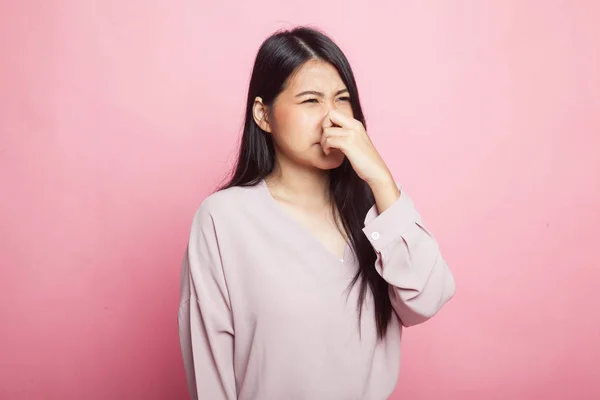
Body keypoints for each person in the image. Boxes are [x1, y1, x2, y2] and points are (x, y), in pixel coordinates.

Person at [178, 26, 456, 400]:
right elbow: (210, 369)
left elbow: (426, 300)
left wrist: (380, 177)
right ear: (263, 114)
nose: (332, 118)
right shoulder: (223, 219)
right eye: (311, 101)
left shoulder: (378, 214)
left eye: (342, 100)